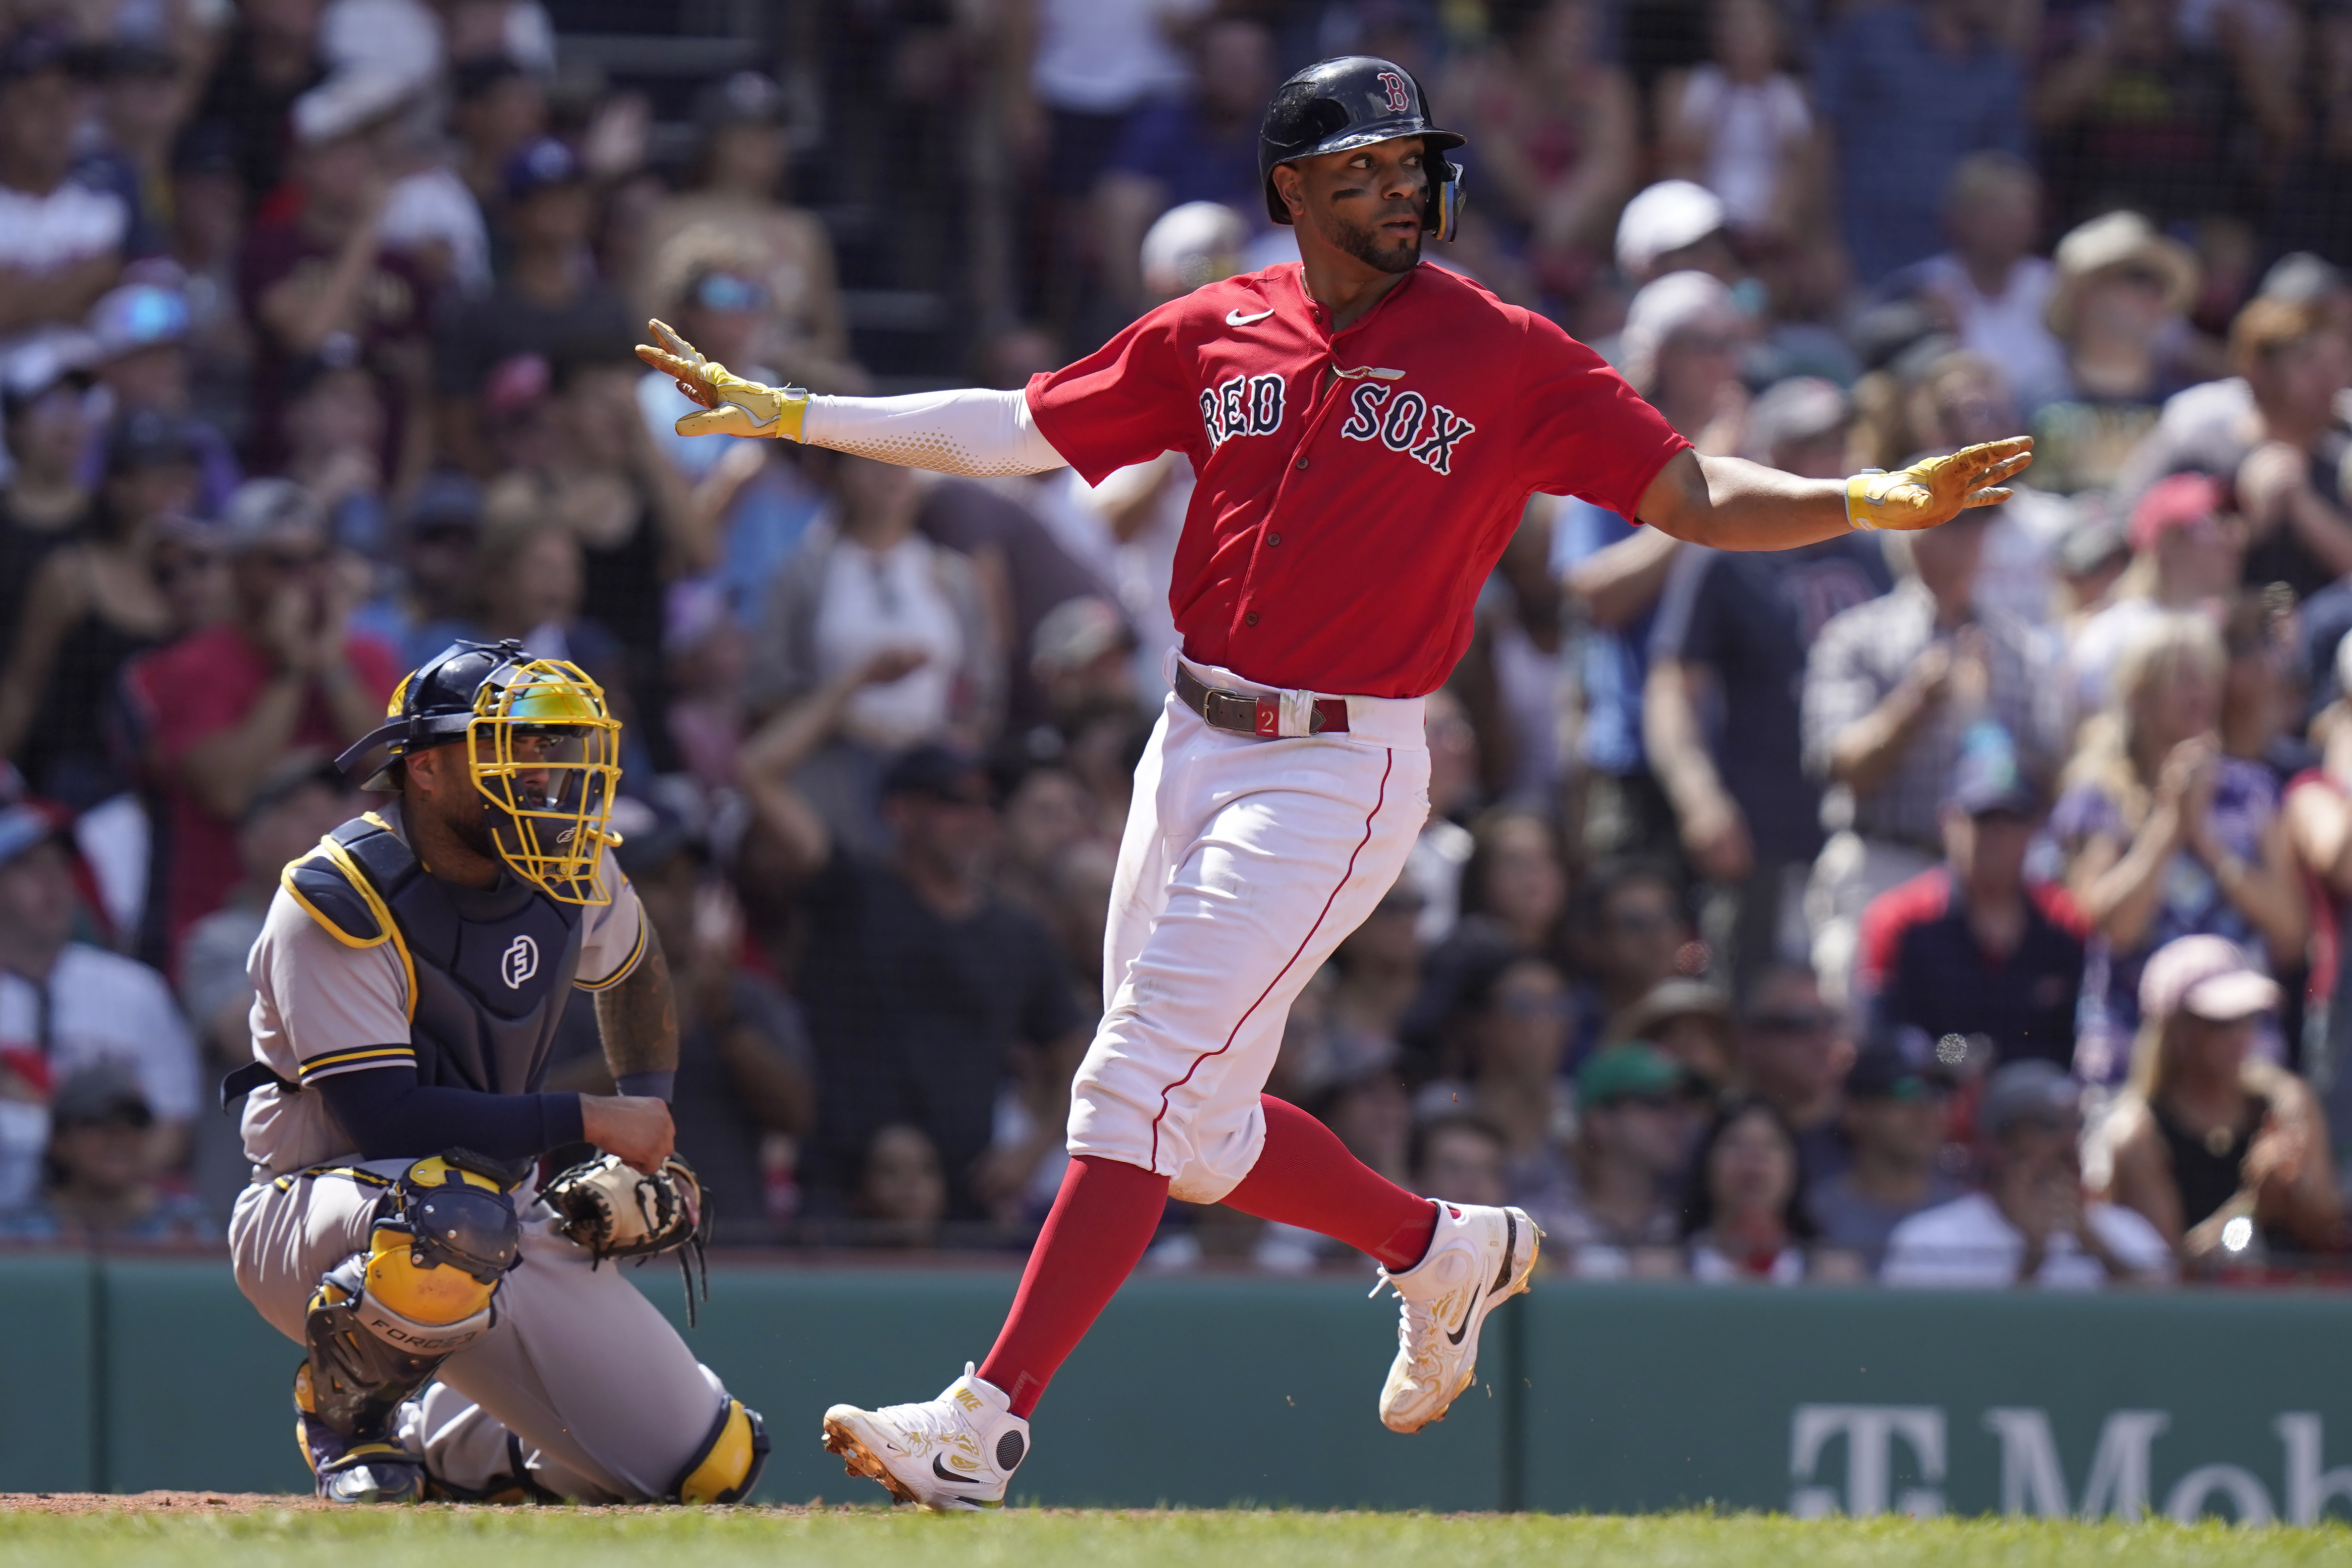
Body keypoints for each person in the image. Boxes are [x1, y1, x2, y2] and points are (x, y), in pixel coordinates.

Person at [636, 53, 2030, 1508]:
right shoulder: (1219, 322)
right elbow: (1023, 428)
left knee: (1126, 1087)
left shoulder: (1505, 350)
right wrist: (794, 413)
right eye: (1357, 169)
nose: (1394, 190)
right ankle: (1441, 1249)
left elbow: (1685, 492)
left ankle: (983, 1420)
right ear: (1289, 190)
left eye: (1410, 164)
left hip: (1339, 763)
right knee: (1193, 1132)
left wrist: (1857, 501)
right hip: (1187, 738)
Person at [223, 639, 769, 1505]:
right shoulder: (339, 893)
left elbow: (634, 970)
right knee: (448, 1212)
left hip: (495, 1215)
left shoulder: (568, 858)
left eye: (553, 752)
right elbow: (387, 1118)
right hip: (320, 1213)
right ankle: (349, 1412)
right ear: (429, 769)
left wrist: (646, 1120)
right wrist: (592, 1120)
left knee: (709, 1465)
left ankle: (458, 1452)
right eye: (513, 752)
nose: (545, 778)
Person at [735, 694, 1087, 1227]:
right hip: (840, 1196)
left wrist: (1033, 1149)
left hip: (964, 1204)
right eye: (953, 803)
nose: (974, 820)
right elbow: (757, 772)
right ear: (900, 811)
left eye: (984, 804)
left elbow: (1074, 1047)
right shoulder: (851, 891)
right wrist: (857, 681)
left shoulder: (1017, 932)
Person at [126, 480, 399, 960]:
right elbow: (229, 793)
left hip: (367, 916)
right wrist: (292, 672)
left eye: (317, 560)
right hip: (235, 931)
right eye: (282, 564)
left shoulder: (365, 659)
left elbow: (398, 771)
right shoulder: (190, 668)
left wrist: (332, 667)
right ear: (236, 570)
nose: (306, 578)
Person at [1800, 495, 2056, 999]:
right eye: (1949, 522)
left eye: (1976, 524)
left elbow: (2046, 779)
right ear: (1907, 532)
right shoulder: (1857, 636)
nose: (1967, 538)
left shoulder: (2016, 647)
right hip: (1886, 859)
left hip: (1989, 885)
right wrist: (1914, 705)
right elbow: (1842, 765)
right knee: (1859, 1038)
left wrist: (1980, 717)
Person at [2053, 613, 2307, 1085]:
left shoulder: (2253, 790)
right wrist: (2169, 827)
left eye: (2206, 677)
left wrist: (2208, 844)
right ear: (2140, 695)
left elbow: (2291, 932)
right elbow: (2115, 925)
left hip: (2242, 1057)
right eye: (2181, 678)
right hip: (2135, 1052)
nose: (2200, 694)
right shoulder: (2100, 796)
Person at [0, 802, 201, 1213]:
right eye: (30, 869)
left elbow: (174, 1121)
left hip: (113, 1214)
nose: (53, 883)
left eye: (61, 867)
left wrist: (99, 1171)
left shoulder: (134, 989)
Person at [2102, 935, 2342, 1268]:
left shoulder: (2288, 1103)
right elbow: (2168, 1277)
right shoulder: (2137, 1137)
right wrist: (2251, 1209)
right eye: (2221, 1022)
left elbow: (2331, 1237)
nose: (2241, 1035)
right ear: (2176, 1031)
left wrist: (2297, 1191)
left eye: (2249, 1016)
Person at [1855, 730, 2088, 1069]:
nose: (1996, 835)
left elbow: (2075, 1037)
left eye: (2012, 819)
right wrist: (1956, 1059)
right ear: (1948, 822)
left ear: (2033, 829)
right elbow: (1887, 1038)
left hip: (2039, 1105)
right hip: (1930, 1103)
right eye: (1983, 819)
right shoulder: (1900, 921)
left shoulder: (2063, 922)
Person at [0, 410, 193, 810]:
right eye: (156, 474)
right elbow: (23, 683)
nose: (172, 488)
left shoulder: (197, 578)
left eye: (179, 473)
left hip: (171, 784)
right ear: (117, 485)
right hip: (77, 780)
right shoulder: (71, 573)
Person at [1883, 1060, 2173, 1287]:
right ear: (2000, 1144)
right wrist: (2033, 1257)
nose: (2067, 1141)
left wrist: (2096, 1248)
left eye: (2077, 1125)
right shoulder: (1932, 1240)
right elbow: (1947, 1353)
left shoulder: (2125, 1231)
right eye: (2048, 1126)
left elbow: (2170, 1331)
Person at [1811, 0, 2028, 286]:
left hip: (1949, 281)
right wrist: (1821, 241)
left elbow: (2007, 181)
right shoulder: (1872, 35)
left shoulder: (2002, 73)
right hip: (1857, 260)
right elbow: (1822, 140)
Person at [2029, 212, 2206, 496]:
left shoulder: (2189, 414)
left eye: (2161, 283)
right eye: (2137, 276)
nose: (2153, 293)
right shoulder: (2025, 406)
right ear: (2085, 293)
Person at [2066, 473, 2243, 716]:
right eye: (2212, 524)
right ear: (2169, 540)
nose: (2230, 537)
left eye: (2230, 522)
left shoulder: (2225, 627)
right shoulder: (2115, 635)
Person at [1905, 153, 2067, 415]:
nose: (2014, 221)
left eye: (2023, 208)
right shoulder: (1926, 289)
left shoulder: (2054, 284)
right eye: (1998, 209)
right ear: (1962, 218)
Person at [0, 26, 127, 339]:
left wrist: (22, 298)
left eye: (68, 97)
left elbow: (156, 306)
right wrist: (90, 280)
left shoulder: (116, 189)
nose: (56, 117)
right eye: (35, 101)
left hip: (99, 381)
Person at [0, 1063, 212, 1245]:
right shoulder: (19, 1232)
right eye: (99, 1122)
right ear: (60, 1141)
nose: (120, 1136)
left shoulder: (189, 1227)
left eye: (135, 1122)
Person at [1804, 1043, 1965, 1271]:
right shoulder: (1815, 1214)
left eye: (1937, 1092)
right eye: (1905, 1091)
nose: (1924, 1108)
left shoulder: (1963, 1210)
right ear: (1855, 1111)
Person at [1552, 1042, 1693, 1278]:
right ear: (1600, 1121)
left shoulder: (1687, 1225)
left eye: (1683, 1104)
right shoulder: (1542, 1226)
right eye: (1656, 1102)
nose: (1678, 1118)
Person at [1733, 963, 1854, 1182]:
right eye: (1800, 1024)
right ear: (1750, 1040)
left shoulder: (1866, 1135)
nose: (1822, 1041)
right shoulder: (1723, 1139)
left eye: (1829, 1021)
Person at [1679, 1097, 1815, 1283]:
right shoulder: (1669, 1270)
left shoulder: (1826, 1273)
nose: (1753, 1158)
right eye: (1735, 1144)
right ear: (1707, 1163)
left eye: (1770, 1145)